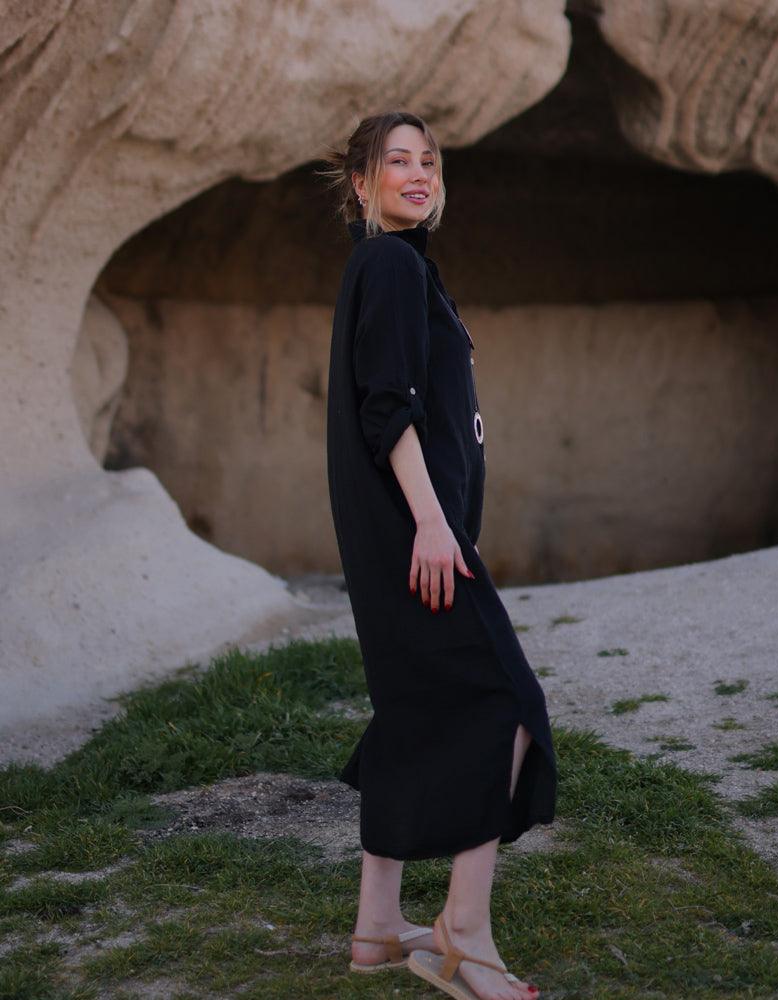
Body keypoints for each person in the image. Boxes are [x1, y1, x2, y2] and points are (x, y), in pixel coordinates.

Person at [317, 110, 557, 1000]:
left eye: (430, 160)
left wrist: (450, 516)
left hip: (420, 532)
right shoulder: (386, 260)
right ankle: (464, 931)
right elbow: (390, 409)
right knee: (507, 702)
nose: (418, 173)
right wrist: (430, 520)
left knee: (414, 709)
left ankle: (379, 928)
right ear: (362, 183)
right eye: (397, 161)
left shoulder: (402, 266)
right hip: (413, 535)